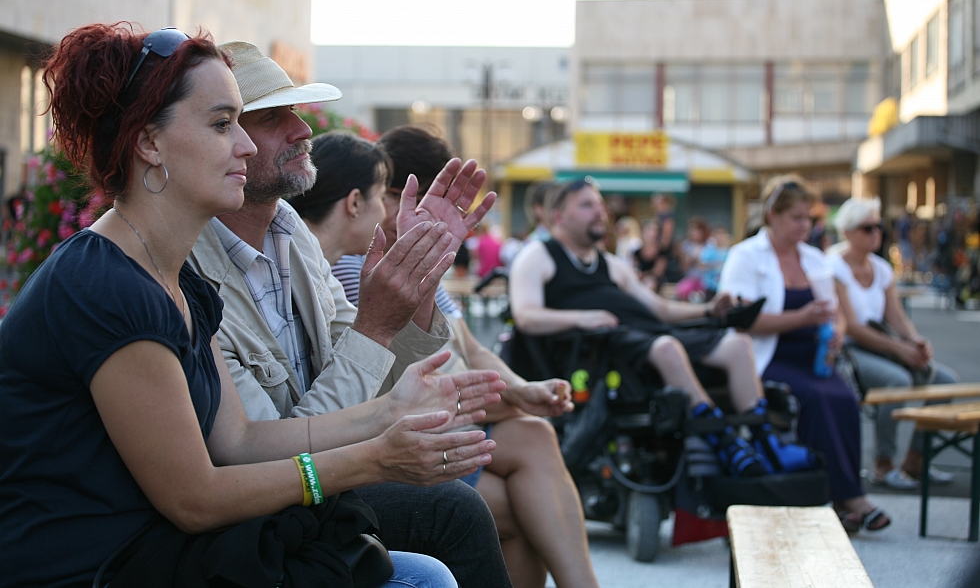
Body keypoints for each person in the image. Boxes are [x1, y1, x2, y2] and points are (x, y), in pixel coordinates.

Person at [0, 24, 501, 587]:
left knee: (426, 571)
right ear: (148, 143)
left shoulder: (173, 275)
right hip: (105, 571)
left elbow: (238, 440)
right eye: (223, 124)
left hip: (169, 555)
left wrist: (390, 410)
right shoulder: (106, 285)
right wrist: (375, 456)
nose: (244, 144)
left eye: (243, 121)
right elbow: (196, 499)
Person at [186, 43, 514, 588]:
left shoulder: (289, 230)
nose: (301, 130)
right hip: (265, 510)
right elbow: (262, 454)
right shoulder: (187, 265)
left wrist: (419, 285)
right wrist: (377, 325)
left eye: (296, 112)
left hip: (321, 485)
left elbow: (380, 379)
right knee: (456, 510)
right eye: (272, 118)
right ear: (223, 139)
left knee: (488, 483)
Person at [321, 126, 602, 588]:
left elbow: (469, 347)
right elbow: (417, 380)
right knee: (521, 506)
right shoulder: (363, 263)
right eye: (387, 194)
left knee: (533, 439)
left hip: (448, 417)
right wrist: (514, 396)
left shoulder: (411, 257)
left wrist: (520, 389)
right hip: (416, 429)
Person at [510, 178, 808, 479]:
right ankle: (724, 441)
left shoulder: (611, 264)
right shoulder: (538, 255)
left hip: (650, 335)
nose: (600, 211)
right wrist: (580, 318)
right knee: (667, 347)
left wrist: (709, 310)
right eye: (587, 205)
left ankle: (766, 443)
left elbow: (660, 309)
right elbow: (525, 316)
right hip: (607, 351)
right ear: (559, 216)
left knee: (737, 344)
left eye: (600, 204)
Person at [719, 174, 891, 533]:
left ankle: (843, 496)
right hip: (767, 356)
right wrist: (801, 318)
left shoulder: (813, 258)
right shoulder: (745, 256)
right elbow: (742, 321)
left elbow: (835, 312)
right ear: (773, 216)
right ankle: (845, 497)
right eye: (796, 218)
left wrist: (837, 332)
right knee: (815, 399)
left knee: (845, 399)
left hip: (814, 356)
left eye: (808, 218)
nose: (804, 226)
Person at [829, 197, 957, 489]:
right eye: (868, 228)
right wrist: (900, 348)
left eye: (879, 227)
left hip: (882, 345)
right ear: (847, 232)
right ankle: (883, 464)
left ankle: (916, 459)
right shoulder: (833, 266)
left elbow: (897, 317)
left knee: (945, 381)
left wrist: (916, 340)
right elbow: (852, 327)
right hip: (849, 350)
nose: (876, 233)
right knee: (896, 380)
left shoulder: (881, 267)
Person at [633, 218, 666, 291]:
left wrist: (643, 275)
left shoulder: (661, 251)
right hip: (639, 281)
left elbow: (658, 272)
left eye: (655, 231)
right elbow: (634, 268)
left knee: (650, 282)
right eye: (649, 230)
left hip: (655, 282)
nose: (652, 234)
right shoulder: (637, 252)